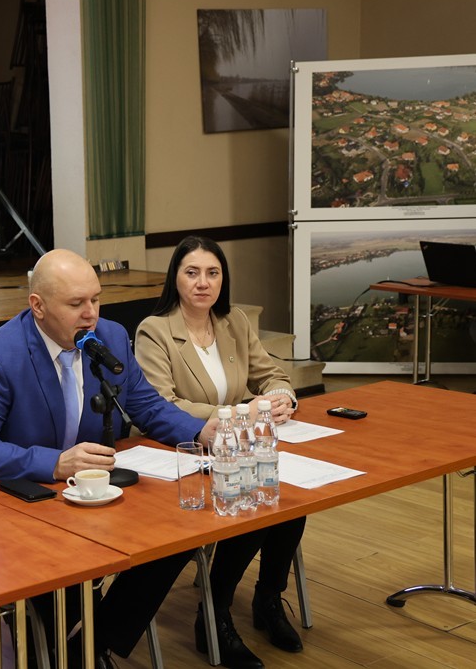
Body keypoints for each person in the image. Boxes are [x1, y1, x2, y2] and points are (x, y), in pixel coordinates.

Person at [0, 248, 218, 669]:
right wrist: (55, 463)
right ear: (38, 306)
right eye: (76, 303)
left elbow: (147, 406)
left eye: (96, 299)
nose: (91, 313)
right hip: (27, 507)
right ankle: (55, 648)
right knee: (55, 593)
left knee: (175, 537)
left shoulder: (109, 337)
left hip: (95, 495)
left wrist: (200, 431)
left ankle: (91, 647)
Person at [135, 235, 305, 669]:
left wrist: (282, 397)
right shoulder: (155, 331)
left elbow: (272, 373)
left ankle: (269, 599)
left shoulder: (234, 322)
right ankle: (214, 615)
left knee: (294, 498)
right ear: (175, 278)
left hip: (238, 446)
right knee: (249, 501)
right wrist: (237, 414)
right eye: (192, 272)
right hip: (186, 451)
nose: (203, 283)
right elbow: (161, 404)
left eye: (213, 273)